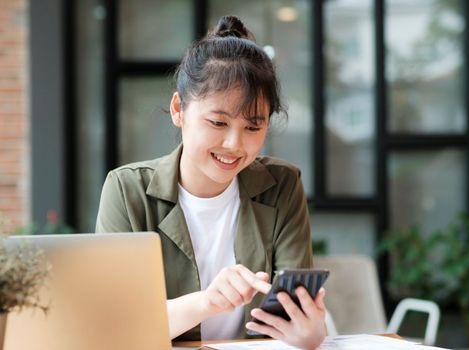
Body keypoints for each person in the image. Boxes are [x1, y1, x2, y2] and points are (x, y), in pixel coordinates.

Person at [95, 15, 327, 349]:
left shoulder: (282, 186)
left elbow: (295, 314)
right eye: (218, 122)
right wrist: (207, 302)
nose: (234, 144)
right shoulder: (126, 190)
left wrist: (310, 333)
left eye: (252, 127)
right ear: (179, 110)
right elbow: (115, 325)